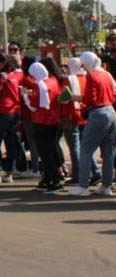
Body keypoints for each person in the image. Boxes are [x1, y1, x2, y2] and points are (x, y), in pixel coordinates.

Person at [68, 52, 116, 196]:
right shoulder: (107, 74)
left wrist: (76, 98)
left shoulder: (92, 76)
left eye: (83, 64)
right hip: (110, 111)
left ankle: (83, 186)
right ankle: (107, 186)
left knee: (86, 150)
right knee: (108, 152)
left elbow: (90, 99)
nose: (83, 67)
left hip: (98, 113)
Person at [26, 59, 63, 193]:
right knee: (51, 149)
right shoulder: (53, 80)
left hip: (41, 120)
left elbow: (34, 106)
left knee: (45, 153)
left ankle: (54, 180)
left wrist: (26, 97)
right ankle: (49, 178)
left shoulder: (39, 85)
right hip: (53, 119)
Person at [0, 53, 23, 184]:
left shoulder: (1, 77)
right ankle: (9, 173)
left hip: (2, 111)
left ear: (1, 63)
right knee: (10, 142)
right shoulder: (15, 75)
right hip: (15, 111)